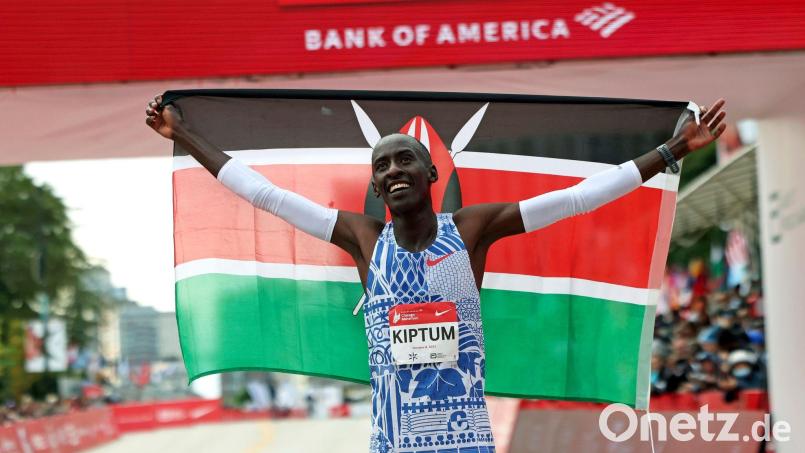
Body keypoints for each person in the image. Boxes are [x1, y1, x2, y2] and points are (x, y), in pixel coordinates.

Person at [146, 94, 726, 452]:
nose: (393, 170)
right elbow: (264, 195)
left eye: (405, 160)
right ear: (375, 186)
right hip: (391, 441)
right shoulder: (363, 239)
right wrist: (187, 136)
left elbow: (578, 198)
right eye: (382, 165)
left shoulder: (471, 230)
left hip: (465, 442)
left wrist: (671, 151)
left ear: (431, 173)